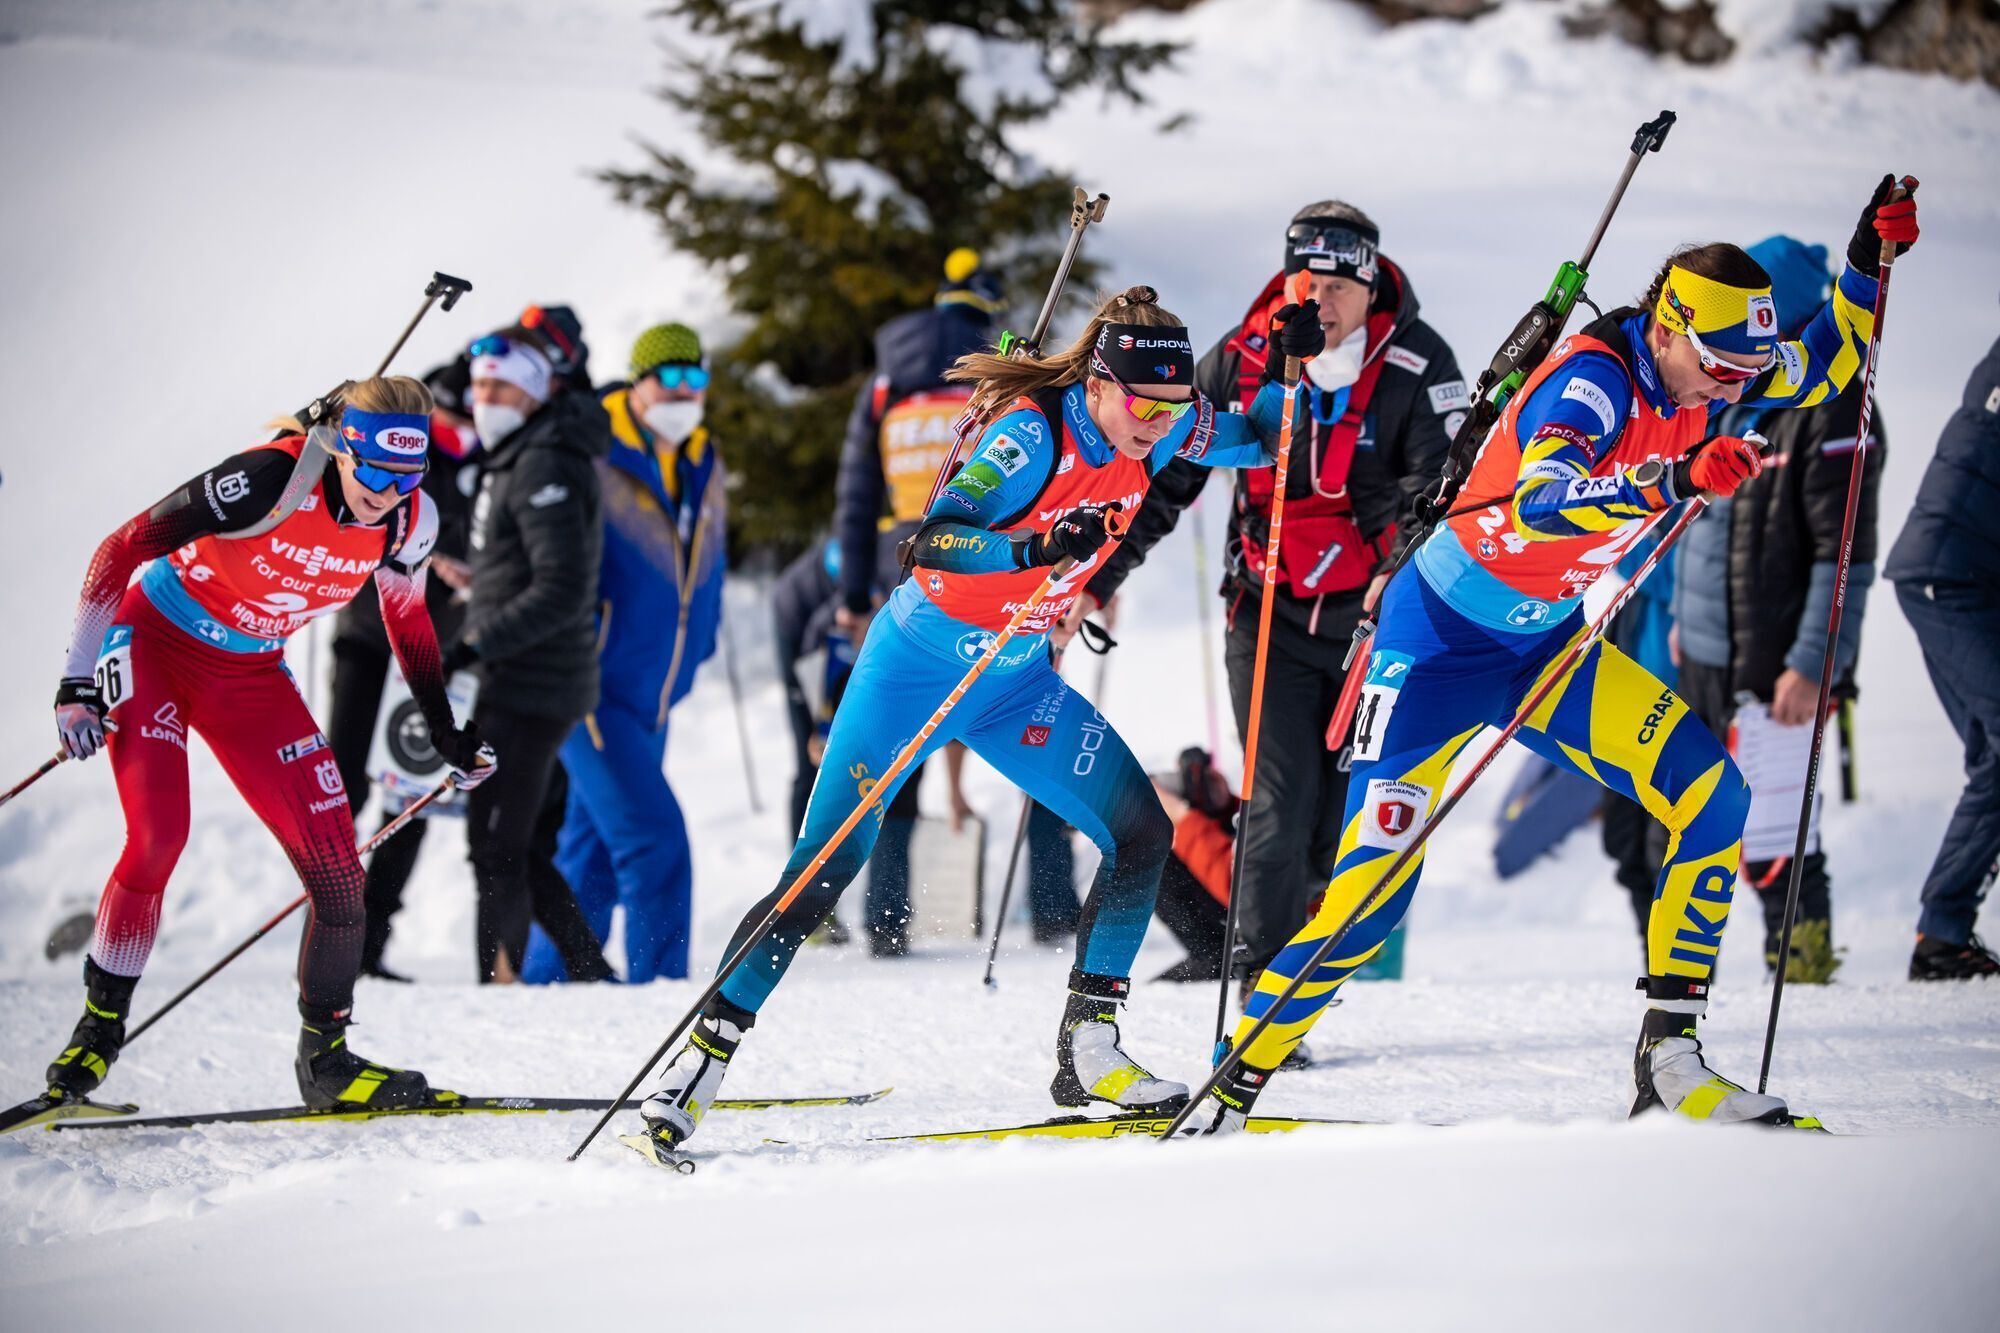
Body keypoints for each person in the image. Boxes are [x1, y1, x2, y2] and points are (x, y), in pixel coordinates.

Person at [1180, 177, 1920, 1134]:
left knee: (1715, 799)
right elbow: (1542, 501)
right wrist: (1675, 475)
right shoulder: (1593, 379)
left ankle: (1671, 1056)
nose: (1738, 385)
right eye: (1720, 366)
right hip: (1435, 642)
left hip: (1544, 646)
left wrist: (1865, 260)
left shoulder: (1716, 361)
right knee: (1370, 899)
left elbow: (1823, 365)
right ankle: (1234, 1080)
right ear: (1667, 328)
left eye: (1746, 368)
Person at [625, 285, 1327, 1155]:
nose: (1159, 425)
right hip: (916, 666)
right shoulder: (1031, 433)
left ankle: (1090, 1049)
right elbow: (937, 536)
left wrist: (1290, 364)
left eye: (1172, 408)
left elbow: (1260, 439)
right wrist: (1034, 547)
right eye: (1144, 406)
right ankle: (700, 1059)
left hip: (1013, 682)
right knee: (827, 864)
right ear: (1100, 383)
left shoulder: (1161, 422)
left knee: (1141, 830)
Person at [44, 375, 495, 1111]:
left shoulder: (411, 518)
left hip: (250, 670)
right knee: (159, 834)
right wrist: (76, 680)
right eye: (375, 469)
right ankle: (96, 1030)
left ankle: (327, 1061)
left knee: (341, 873)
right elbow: (120, 546)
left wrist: (444, 730)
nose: (387, 490)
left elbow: (407, 621)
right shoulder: (270, 479)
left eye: (406, 474)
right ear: (344, 446)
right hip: (156, 641)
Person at [1079, 202, 1465, 989]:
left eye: (1336, 287)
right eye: (1305, 281)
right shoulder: (1244, 355)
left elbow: (1442, 493)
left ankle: (1309, 968)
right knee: (1277, 802)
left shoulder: (1417, 362)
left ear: (1370, 288)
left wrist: (1399, 577)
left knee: (1338, 820)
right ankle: (1259, 986)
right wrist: (1102, 577)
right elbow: (1165, 476)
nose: (1318, 301)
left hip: (1373, 623)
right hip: (1269, 613)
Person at [827, 248, 1079, 951]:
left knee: (895, 741)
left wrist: (852, 590)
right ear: (989, 307)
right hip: (998, 575)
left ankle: (886, 920)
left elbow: (855, 493)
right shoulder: (1008, 371)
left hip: (902, 572)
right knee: (1036, 719)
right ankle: (1054, 908)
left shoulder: (885, 382)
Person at [1671, 234, 1886, 982]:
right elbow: (1701, 522)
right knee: (1697, 820)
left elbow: (1846, 552)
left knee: (1781, 835)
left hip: (1777, 664)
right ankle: (1685, 980)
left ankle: (1801, 971)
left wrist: (1813, 661)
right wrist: (1678, 623)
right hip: (1701, 651)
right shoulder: (1730, 394)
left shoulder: (1834, 411)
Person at [520, 323, 727, 984]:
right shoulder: (595, 452)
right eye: (668, 378)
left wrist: (701, 639)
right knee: (654, 841)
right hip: (588, 686)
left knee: (592, 852)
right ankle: (660, 996)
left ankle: (543, 988)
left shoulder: (702, 457)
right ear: (635, 384)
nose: (683, 393)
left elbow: (707, 565)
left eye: (695, 379)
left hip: (653, 691)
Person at [448, 327, 613, 983]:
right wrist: (480, 582)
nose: (486, 396)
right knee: (522, 846)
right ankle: (590, 971)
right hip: (529, 678)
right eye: (480, 384)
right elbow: (529, 567)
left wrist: (475, 641)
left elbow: (563, 586)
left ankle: (499, 987)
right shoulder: (517, 455)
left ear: (535, 392)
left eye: (502, 386)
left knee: (495, 845)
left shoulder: (543, 461)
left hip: (530, 683)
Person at [321, 358, 481, 981]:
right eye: (455, 417)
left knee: (412, 792)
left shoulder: (481, 458)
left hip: (438, 645)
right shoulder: (404, 447)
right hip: (367, 635)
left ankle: (371, 941)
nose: (464, 429)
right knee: (345, 782)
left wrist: (465, 559)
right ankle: (330, 935)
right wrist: (435, 549)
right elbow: (364, 513)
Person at [1885, 328, 2000, 980]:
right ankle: (1943, 928)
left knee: (1994, 759)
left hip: (1949, 574)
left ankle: (1942, 936)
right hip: (1950, 579)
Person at [1149, 747, 1238, 983]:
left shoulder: (1248, 817)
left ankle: (1217, 953)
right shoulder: (1230, 812)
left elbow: (1238, 884)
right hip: (1225, 938)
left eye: (1210, 776)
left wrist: (1182, 816)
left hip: (1267, 933)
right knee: (1151, 857)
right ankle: (1211, 951)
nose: (1213, 784)